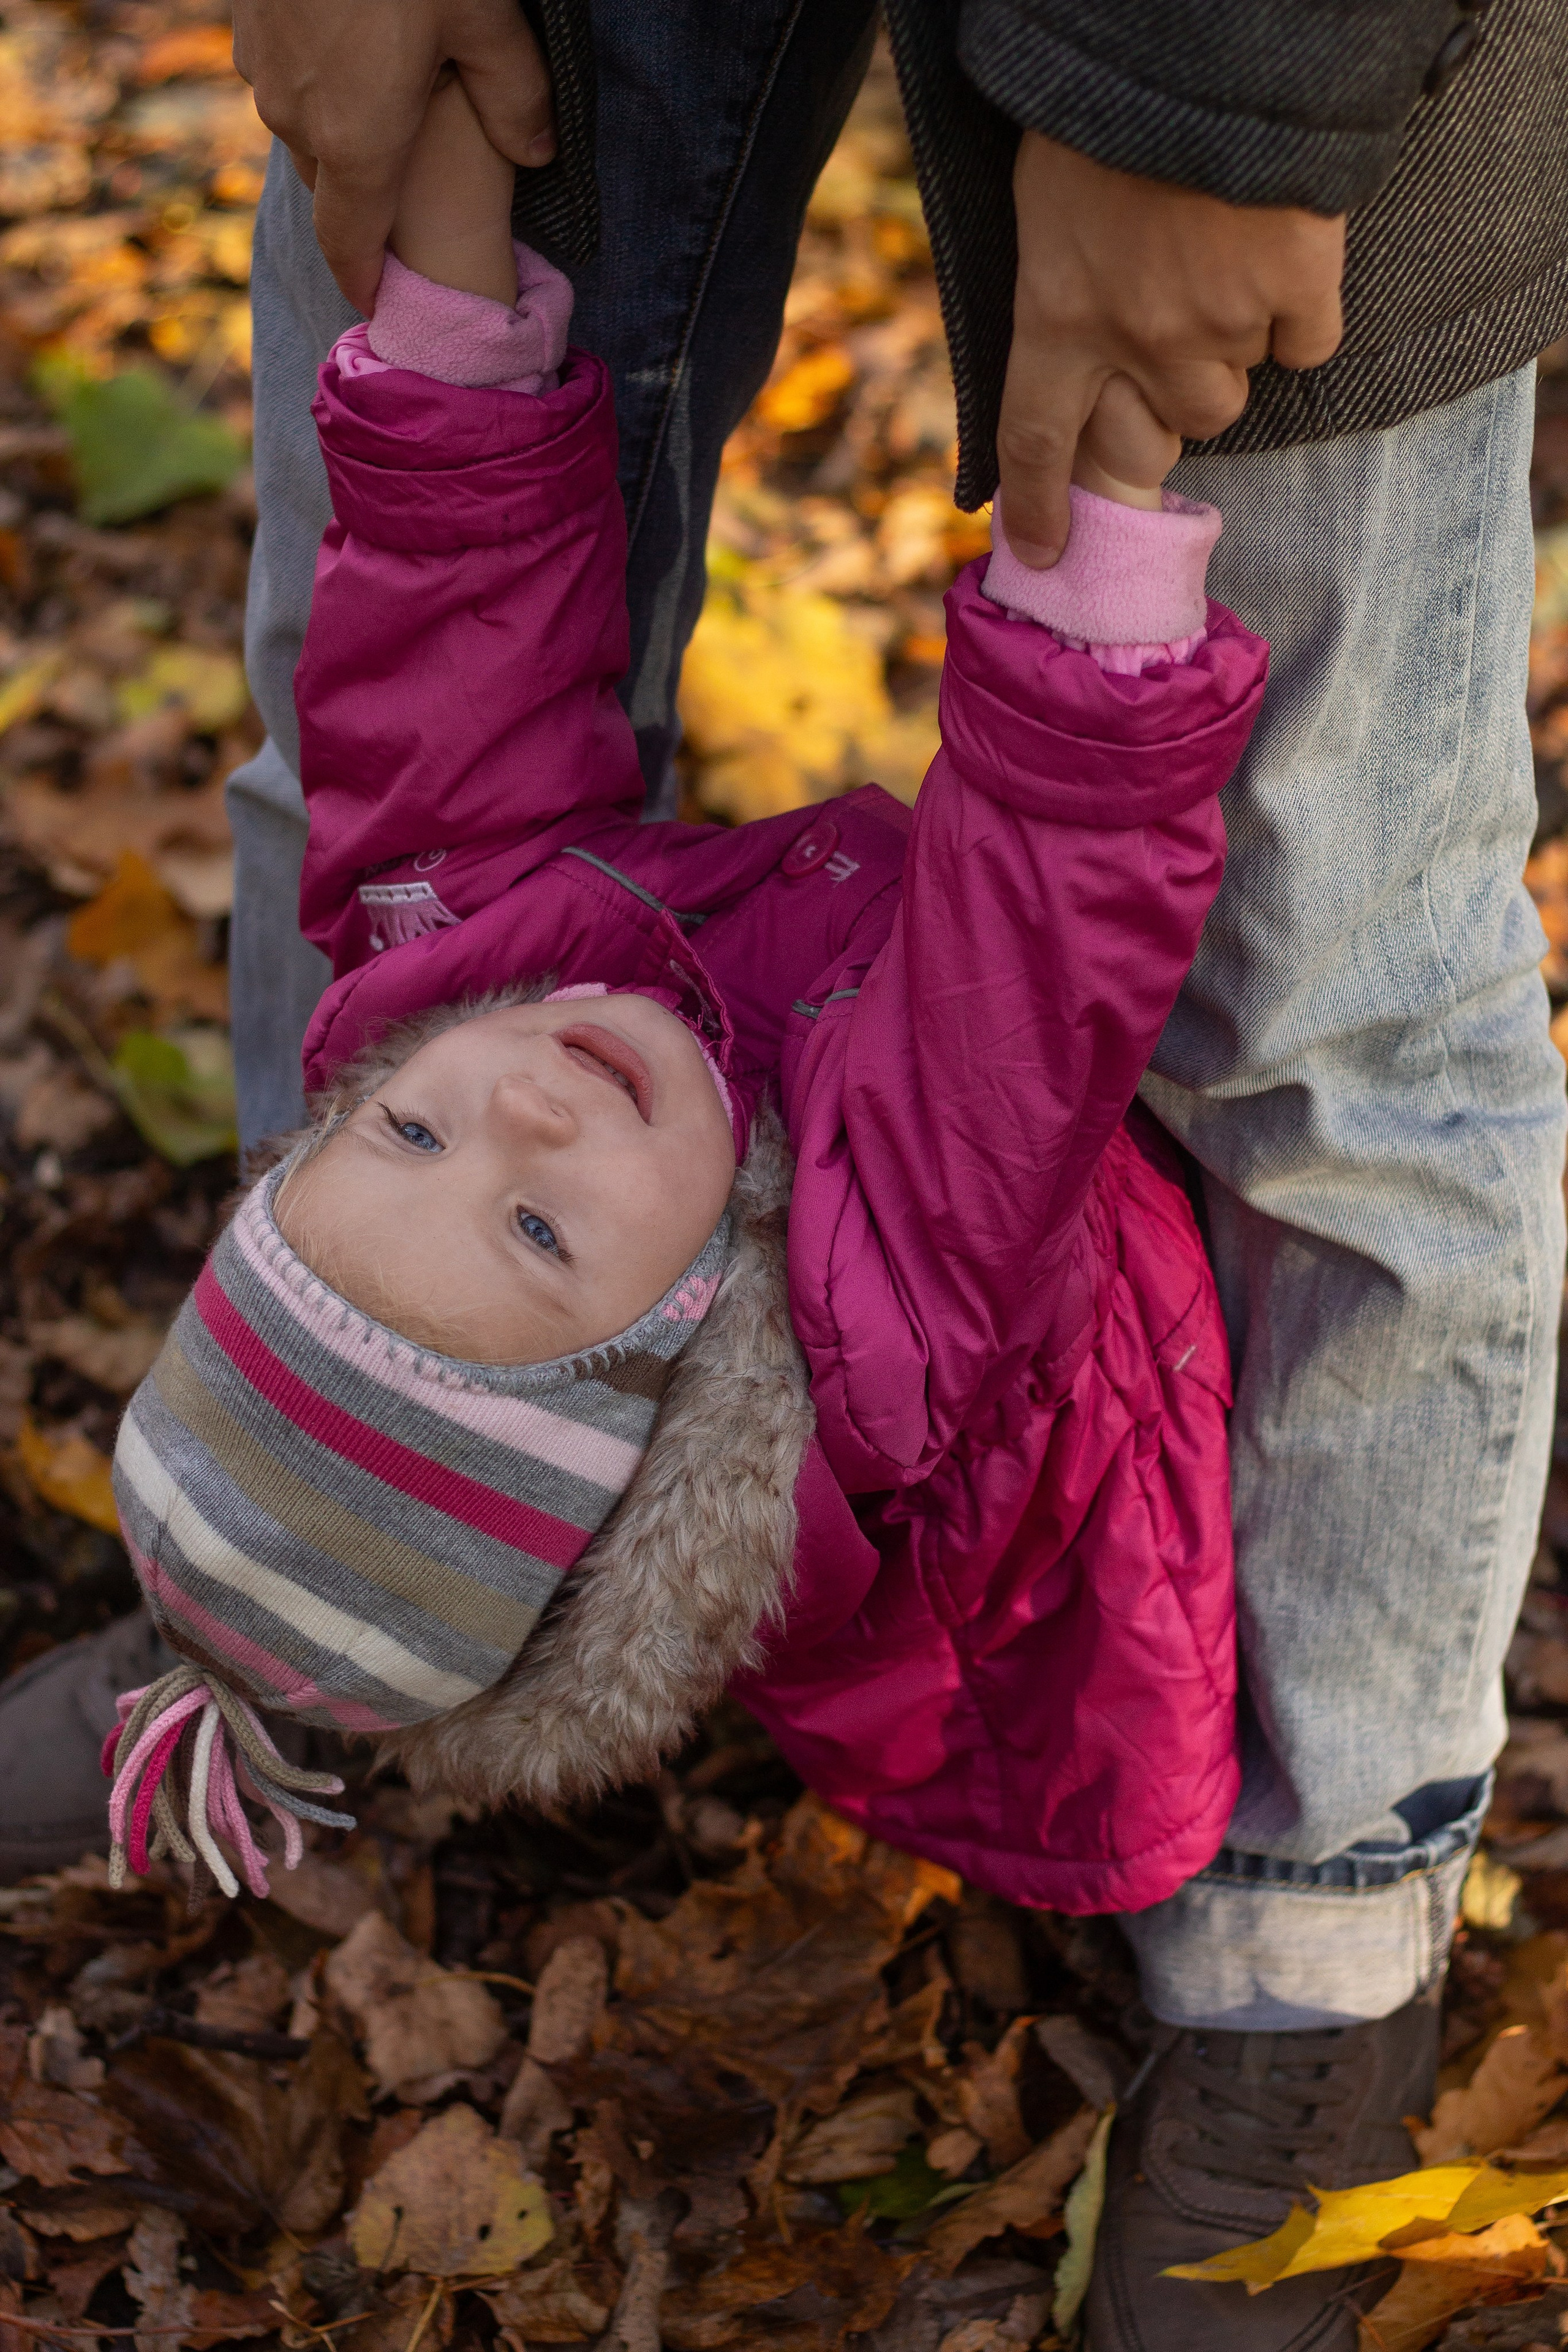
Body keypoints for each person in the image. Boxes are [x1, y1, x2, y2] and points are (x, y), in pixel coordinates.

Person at [2, 5, 1564, 2347]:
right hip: (1014, 1308)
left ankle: (1310, 1912)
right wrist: (1113, 502)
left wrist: (456, 301)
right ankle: (324, 1602)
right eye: (523, 1227)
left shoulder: (500, 1020)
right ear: (667, 1401)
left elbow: (443, 673)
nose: (507, 1101)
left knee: (1330, 962)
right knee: (1229, 900)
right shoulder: (862, 1293)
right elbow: (1035, 907)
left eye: (401, 1127)